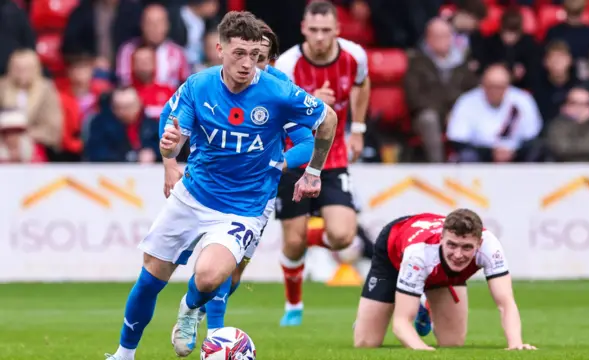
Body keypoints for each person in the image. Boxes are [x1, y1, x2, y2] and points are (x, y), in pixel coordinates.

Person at [105, 11, 338, 360]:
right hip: (193, 194)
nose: (247, 63)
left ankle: (191, 307)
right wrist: (169, 156)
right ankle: (123, 355)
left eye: (254, 56)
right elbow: (174, 135)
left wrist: (313, 171)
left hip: (244, 206)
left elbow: (327, 119)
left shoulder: (277, 91)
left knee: (212, 275)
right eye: (239, 54)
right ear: (220, 49)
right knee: (150, 279)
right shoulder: (198, 86)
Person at [274, 0, 370, 327]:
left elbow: (362, 84)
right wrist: (312, 104)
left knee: (343, 236)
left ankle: (321, 234)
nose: (319, 37)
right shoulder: (287, 65)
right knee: (293, 243)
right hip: (296, 156)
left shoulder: (355, 56)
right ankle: (293, 305)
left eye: (326, 30)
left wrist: (358, 129)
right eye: (313, 30)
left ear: (337, 30)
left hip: (334, 156)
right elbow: (278, 113)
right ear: (303, 29)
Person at [353, 209, 536, 351]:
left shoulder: (490, 247)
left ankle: (424, 305)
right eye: (452, 245)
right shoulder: (419, 254)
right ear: (441, 239)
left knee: (452, 343)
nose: (458, 254)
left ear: (479, 244)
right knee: (366, 342)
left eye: (467, 247)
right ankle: (409, 299)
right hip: (394, 252)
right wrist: (422, 350)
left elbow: (506, 303)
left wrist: (516, 344)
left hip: (438, 268)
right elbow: (401, 324)